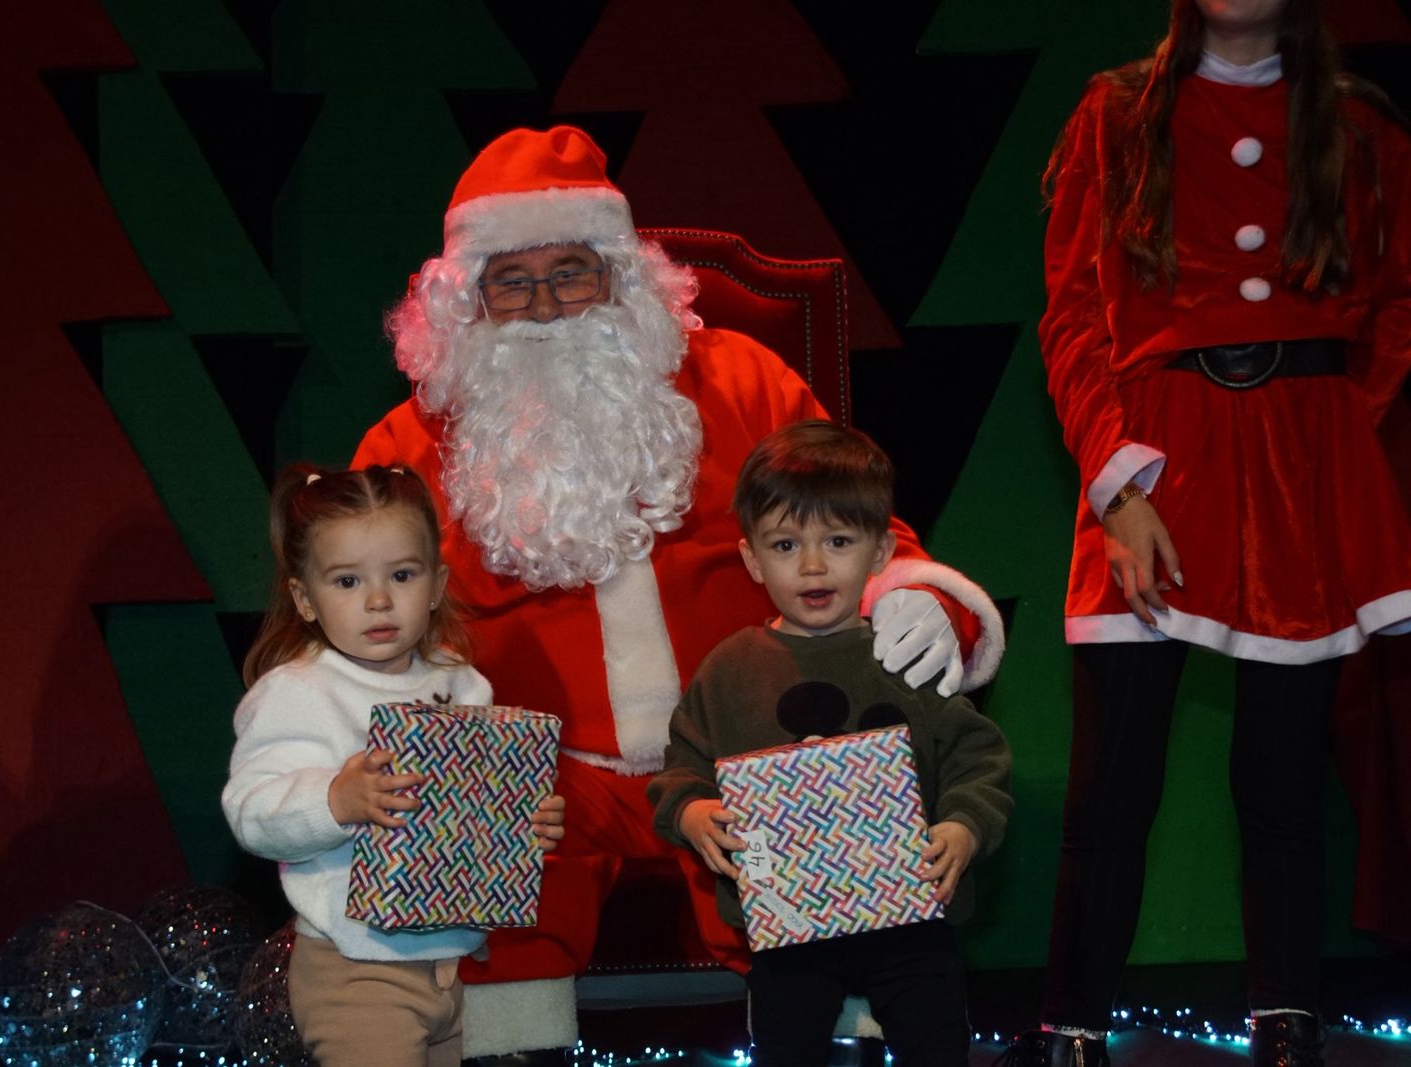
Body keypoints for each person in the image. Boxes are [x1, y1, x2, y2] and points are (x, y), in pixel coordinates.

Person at [353, 124, 1008, 1059]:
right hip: (548, 773)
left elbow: (863, 527)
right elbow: (356, 611)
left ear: (619, 277)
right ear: (469, 303)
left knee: (825, 752)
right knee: (467, 782)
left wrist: (914, 594)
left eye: (571, 273)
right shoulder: (410, 443)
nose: (545, 308)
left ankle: (837, 1024)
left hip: (741, 748)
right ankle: (508, 1045)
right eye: (512, 282)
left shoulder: (742, 381)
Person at [999, 3, 1411, 1065]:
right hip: (1156, 467)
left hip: (1299, 475)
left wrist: (1329, 441)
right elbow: (1072, 313)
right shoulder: (1115, 114)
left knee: (1283, 782)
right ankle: (1072, 1032)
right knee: (1111, 787)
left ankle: (1287, 1030)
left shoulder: (1360, 128)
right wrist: (1117, 486)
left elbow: (1396, 304)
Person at [646, 420, 1013, 1067]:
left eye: (838, 541)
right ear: (752, 559)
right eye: (786, 544)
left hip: (910, 921)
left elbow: (977, 758)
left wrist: (963, 827)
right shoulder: (730, 669)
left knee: (936, 1042)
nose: (813, 565)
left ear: (879, 552)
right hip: (787, 927)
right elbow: (681, 768)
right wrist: (694, 813)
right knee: (785, 1045)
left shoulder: (903, 654)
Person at [221, 463, 567, 1067]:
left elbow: (473, 816)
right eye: (347, 581)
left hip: (458, 965)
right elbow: (252, 814)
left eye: (402, 575)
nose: (379, 600)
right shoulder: (298, 692)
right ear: (305, 598)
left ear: (436, 584)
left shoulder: (463, 684)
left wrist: (520, 825)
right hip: (355, 971)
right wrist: (335, 800)